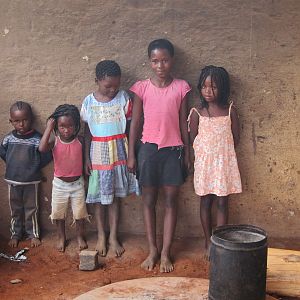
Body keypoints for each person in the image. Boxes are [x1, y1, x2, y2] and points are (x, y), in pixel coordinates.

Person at [127, 39, 191, 273]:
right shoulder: (141, 88)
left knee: (171, 201)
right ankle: (152, 249)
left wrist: (187, 152)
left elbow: (185, 124)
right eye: (155, 61)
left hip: (173, 151)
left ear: (171, 60)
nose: (160, 65)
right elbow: (135, 124)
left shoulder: (181, 87)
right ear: (149, 62)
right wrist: (131, 154)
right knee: (148, 201)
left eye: (164, 60)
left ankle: (165, 252)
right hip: (148, 151)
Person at [81, 60, 136, 257]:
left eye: (116, 85)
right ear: (97, 81)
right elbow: (87, 133)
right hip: (98, 152)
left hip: (119, 150)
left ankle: (113, 236)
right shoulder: (89, 102)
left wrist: (132, 154)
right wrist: (86, 158)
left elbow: (130, 128)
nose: (113, 90)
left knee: (113, 198)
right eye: (107, 86)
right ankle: (101, 235)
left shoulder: (123, 98)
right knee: (99, 198)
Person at [188, 65, 242, 259]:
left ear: (224, 88)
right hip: (204, 166)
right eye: (204, 86)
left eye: (214, 87)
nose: (208, 91)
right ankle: (207, 240)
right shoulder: (197, 113)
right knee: (205, 201)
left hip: (223, 165)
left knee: (222, 203)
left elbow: (236, 138)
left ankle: (220, 242)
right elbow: (193, 140)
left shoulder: (230, 111)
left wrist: (221, 154)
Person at [0, 101, 52, 248]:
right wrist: (13, 165)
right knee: (15, 209)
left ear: (32, 119)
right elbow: (4, 153)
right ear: (11, 121)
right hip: (13, 181)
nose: (21, 124)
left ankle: (33, 234)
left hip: (31, 182)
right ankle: (15, 234)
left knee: (32, 209)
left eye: (25, 120)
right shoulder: (8, 138)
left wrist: (33, 167)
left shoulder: (37, 139)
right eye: (17, 121)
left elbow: (46, 155)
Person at [39, 104, 89, 252]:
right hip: (60, 184)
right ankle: (61, 236)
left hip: (78, 183)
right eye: (62, 126)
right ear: (56, 126)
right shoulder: (55, 141)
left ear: (76, 126)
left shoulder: (80, 140)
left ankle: (80, 236)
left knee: (80, 214)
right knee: (58, 214)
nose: (66, 130)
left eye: (70, 126)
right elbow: (41, 148)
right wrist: (49, 128)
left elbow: (86, 158)